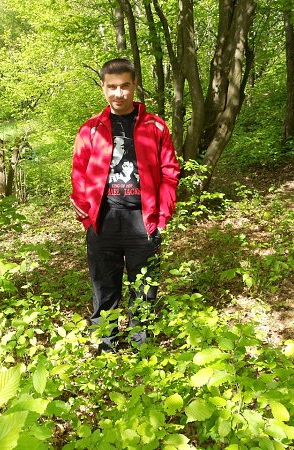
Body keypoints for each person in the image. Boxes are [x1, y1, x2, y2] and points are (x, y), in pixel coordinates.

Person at [70, 57, 180, 352]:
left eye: (125, 86)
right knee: (104, 287)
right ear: (103, 88)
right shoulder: (91, 129)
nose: (119, 93)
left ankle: (141, 348)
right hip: (103, 219)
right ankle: (106, 346)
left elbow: (170, 171)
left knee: (144, 288)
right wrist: (84, 211)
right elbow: (79, 171)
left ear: (134, 86)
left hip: (142, 219)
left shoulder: (155, 126)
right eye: (112, 87)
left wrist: (162, 216)